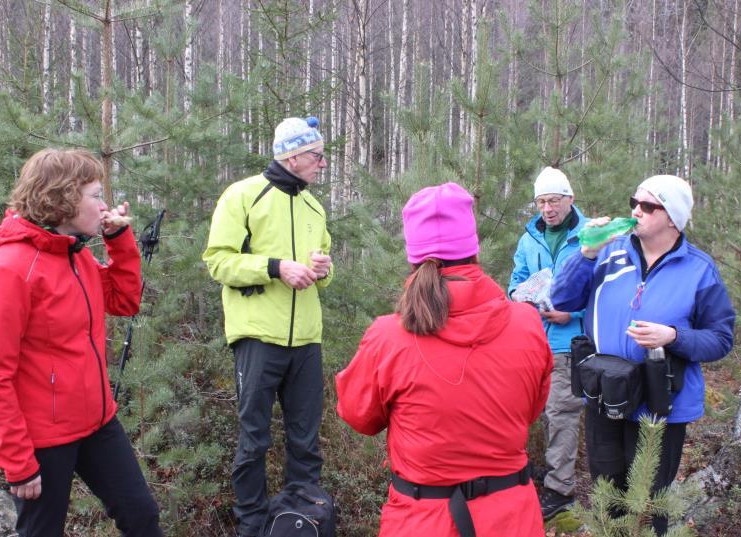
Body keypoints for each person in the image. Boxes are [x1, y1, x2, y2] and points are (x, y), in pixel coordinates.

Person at [336, 182, 552, 537]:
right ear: (473, 247)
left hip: (422, 522)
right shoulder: (527, 323)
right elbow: (528, 411)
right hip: (512, 519)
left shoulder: (388, 335)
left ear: (413, 253)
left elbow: (359, 416)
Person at [0, 148, 162, 537]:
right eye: (95, 195)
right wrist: (17, 460)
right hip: (41, 438)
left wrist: (118, 238)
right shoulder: (10, 270)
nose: (104, 204)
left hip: (97, 421)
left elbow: (124, 301)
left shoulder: (74, 255)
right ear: (62, 198)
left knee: (141, 516)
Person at [550, 174, 735, 536]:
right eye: (635, 201)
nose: (637, 211)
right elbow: (563, 300)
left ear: (672, 217)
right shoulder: (608, 252)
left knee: (648, 505)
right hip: (605, 394)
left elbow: (720, 338)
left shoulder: (699, 270)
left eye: (649, 206)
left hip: (659, 403)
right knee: (607, 494)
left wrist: (674, 336)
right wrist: (586, 253)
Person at [202, 116, 333, 537]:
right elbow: (218, 261)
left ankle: (303, 523)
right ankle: (253, 527)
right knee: (254, 442)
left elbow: (323, 269)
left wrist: (323, 269)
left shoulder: (314, 206)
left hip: (306, 341)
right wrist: (276, 268)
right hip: (257, 338)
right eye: (316, 156)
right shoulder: (242, 195)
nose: (322, 164)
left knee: (305, 443)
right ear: (292, 156)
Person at [507, 166, 586, 519]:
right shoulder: (529, 239)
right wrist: (521, 296)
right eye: (541, 202)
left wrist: (575, 313)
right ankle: (531, 473)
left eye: (554, 201)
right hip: (533, 341)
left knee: (561, 415)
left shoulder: (588, 236)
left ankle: (559, 491)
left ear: (569, 199)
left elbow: (604, 288)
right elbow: (516, 282)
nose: (548, 209)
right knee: (525, 411)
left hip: (570, 343)